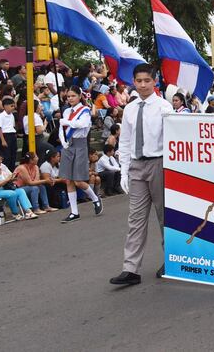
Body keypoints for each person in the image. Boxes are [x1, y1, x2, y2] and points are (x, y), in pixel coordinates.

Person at [110, 63, 172, 285]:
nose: (143, 85)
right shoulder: (130, 108)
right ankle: (131, 268)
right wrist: (124, 171)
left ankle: (172, 260)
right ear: (134, 82)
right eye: (139, 81)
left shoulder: (164, 107)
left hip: (159, 164)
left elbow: (174, 140)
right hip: (137, 166)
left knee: (165, 216)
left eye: (147, 80)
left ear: (155, 81)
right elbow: (125, 141)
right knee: (135, 219)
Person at [58, 86, 103, 223]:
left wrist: (67, 122)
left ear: (79, 96)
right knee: (68, 179)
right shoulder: (66, 111)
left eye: (73, 96)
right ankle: (74, 212)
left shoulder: (84, 110)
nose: (70, 98)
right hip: (68, 145)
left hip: (80, 144)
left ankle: (95, 198)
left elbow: (82, 124)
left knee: (78, 180)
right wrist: (63, 141)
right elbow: (62, 128)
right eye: (68, 96)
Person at [0, 151, 38, 220]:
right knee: (11, 193)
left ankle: (28, 211)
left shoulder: (2, 166)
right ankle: (15, 213)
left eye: (1, 159)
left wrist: (13, 177)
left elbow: (10, 175)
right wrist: (6, 180)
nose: (0, 162)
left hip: (5, 189)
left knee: (20, 191)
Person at [0, 97, 17, 170]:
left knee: (13, 154)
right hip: (6, 136)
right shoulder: (0, 116)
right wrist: (3, 140)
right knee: (6, 156)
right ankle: (6, 172)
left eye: (13, 106)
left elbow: (13, 126)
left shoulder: (12, 116)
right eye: (11, 106)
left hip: (12, 135)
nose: (13, 108)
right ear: (5, 106)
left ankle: (12, 171)